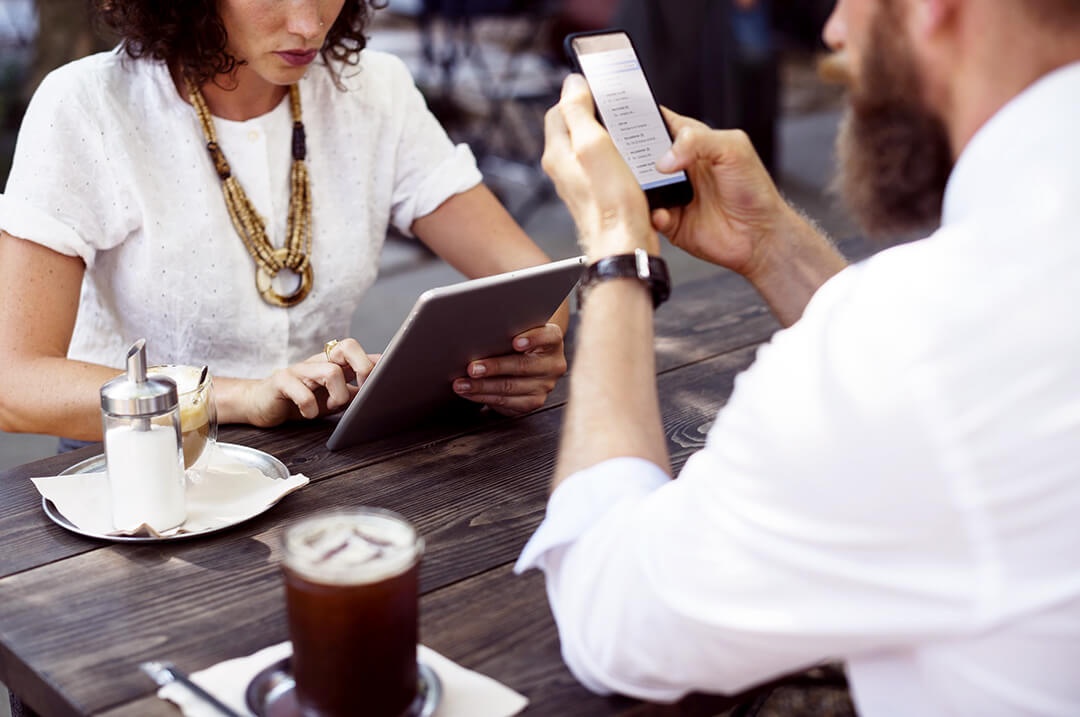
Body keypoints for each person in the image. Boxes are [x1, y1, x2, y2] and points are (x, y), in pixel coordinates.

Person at [516, 0, 1080, 714]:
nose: (834, 30)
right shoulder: (973, 311)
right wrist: (771, 242)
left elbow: (616, 617)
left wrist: (616, 250)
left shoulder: (927, 345)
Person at [0, 0, 568, 445]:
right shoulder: (89, 106)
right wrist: (240, 398)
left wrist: (522, 357)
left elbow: (534, 285)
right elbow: (15, 386)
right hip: (139, 473)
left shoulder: (373, 89)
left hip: (318, 462)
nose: (308, 24)